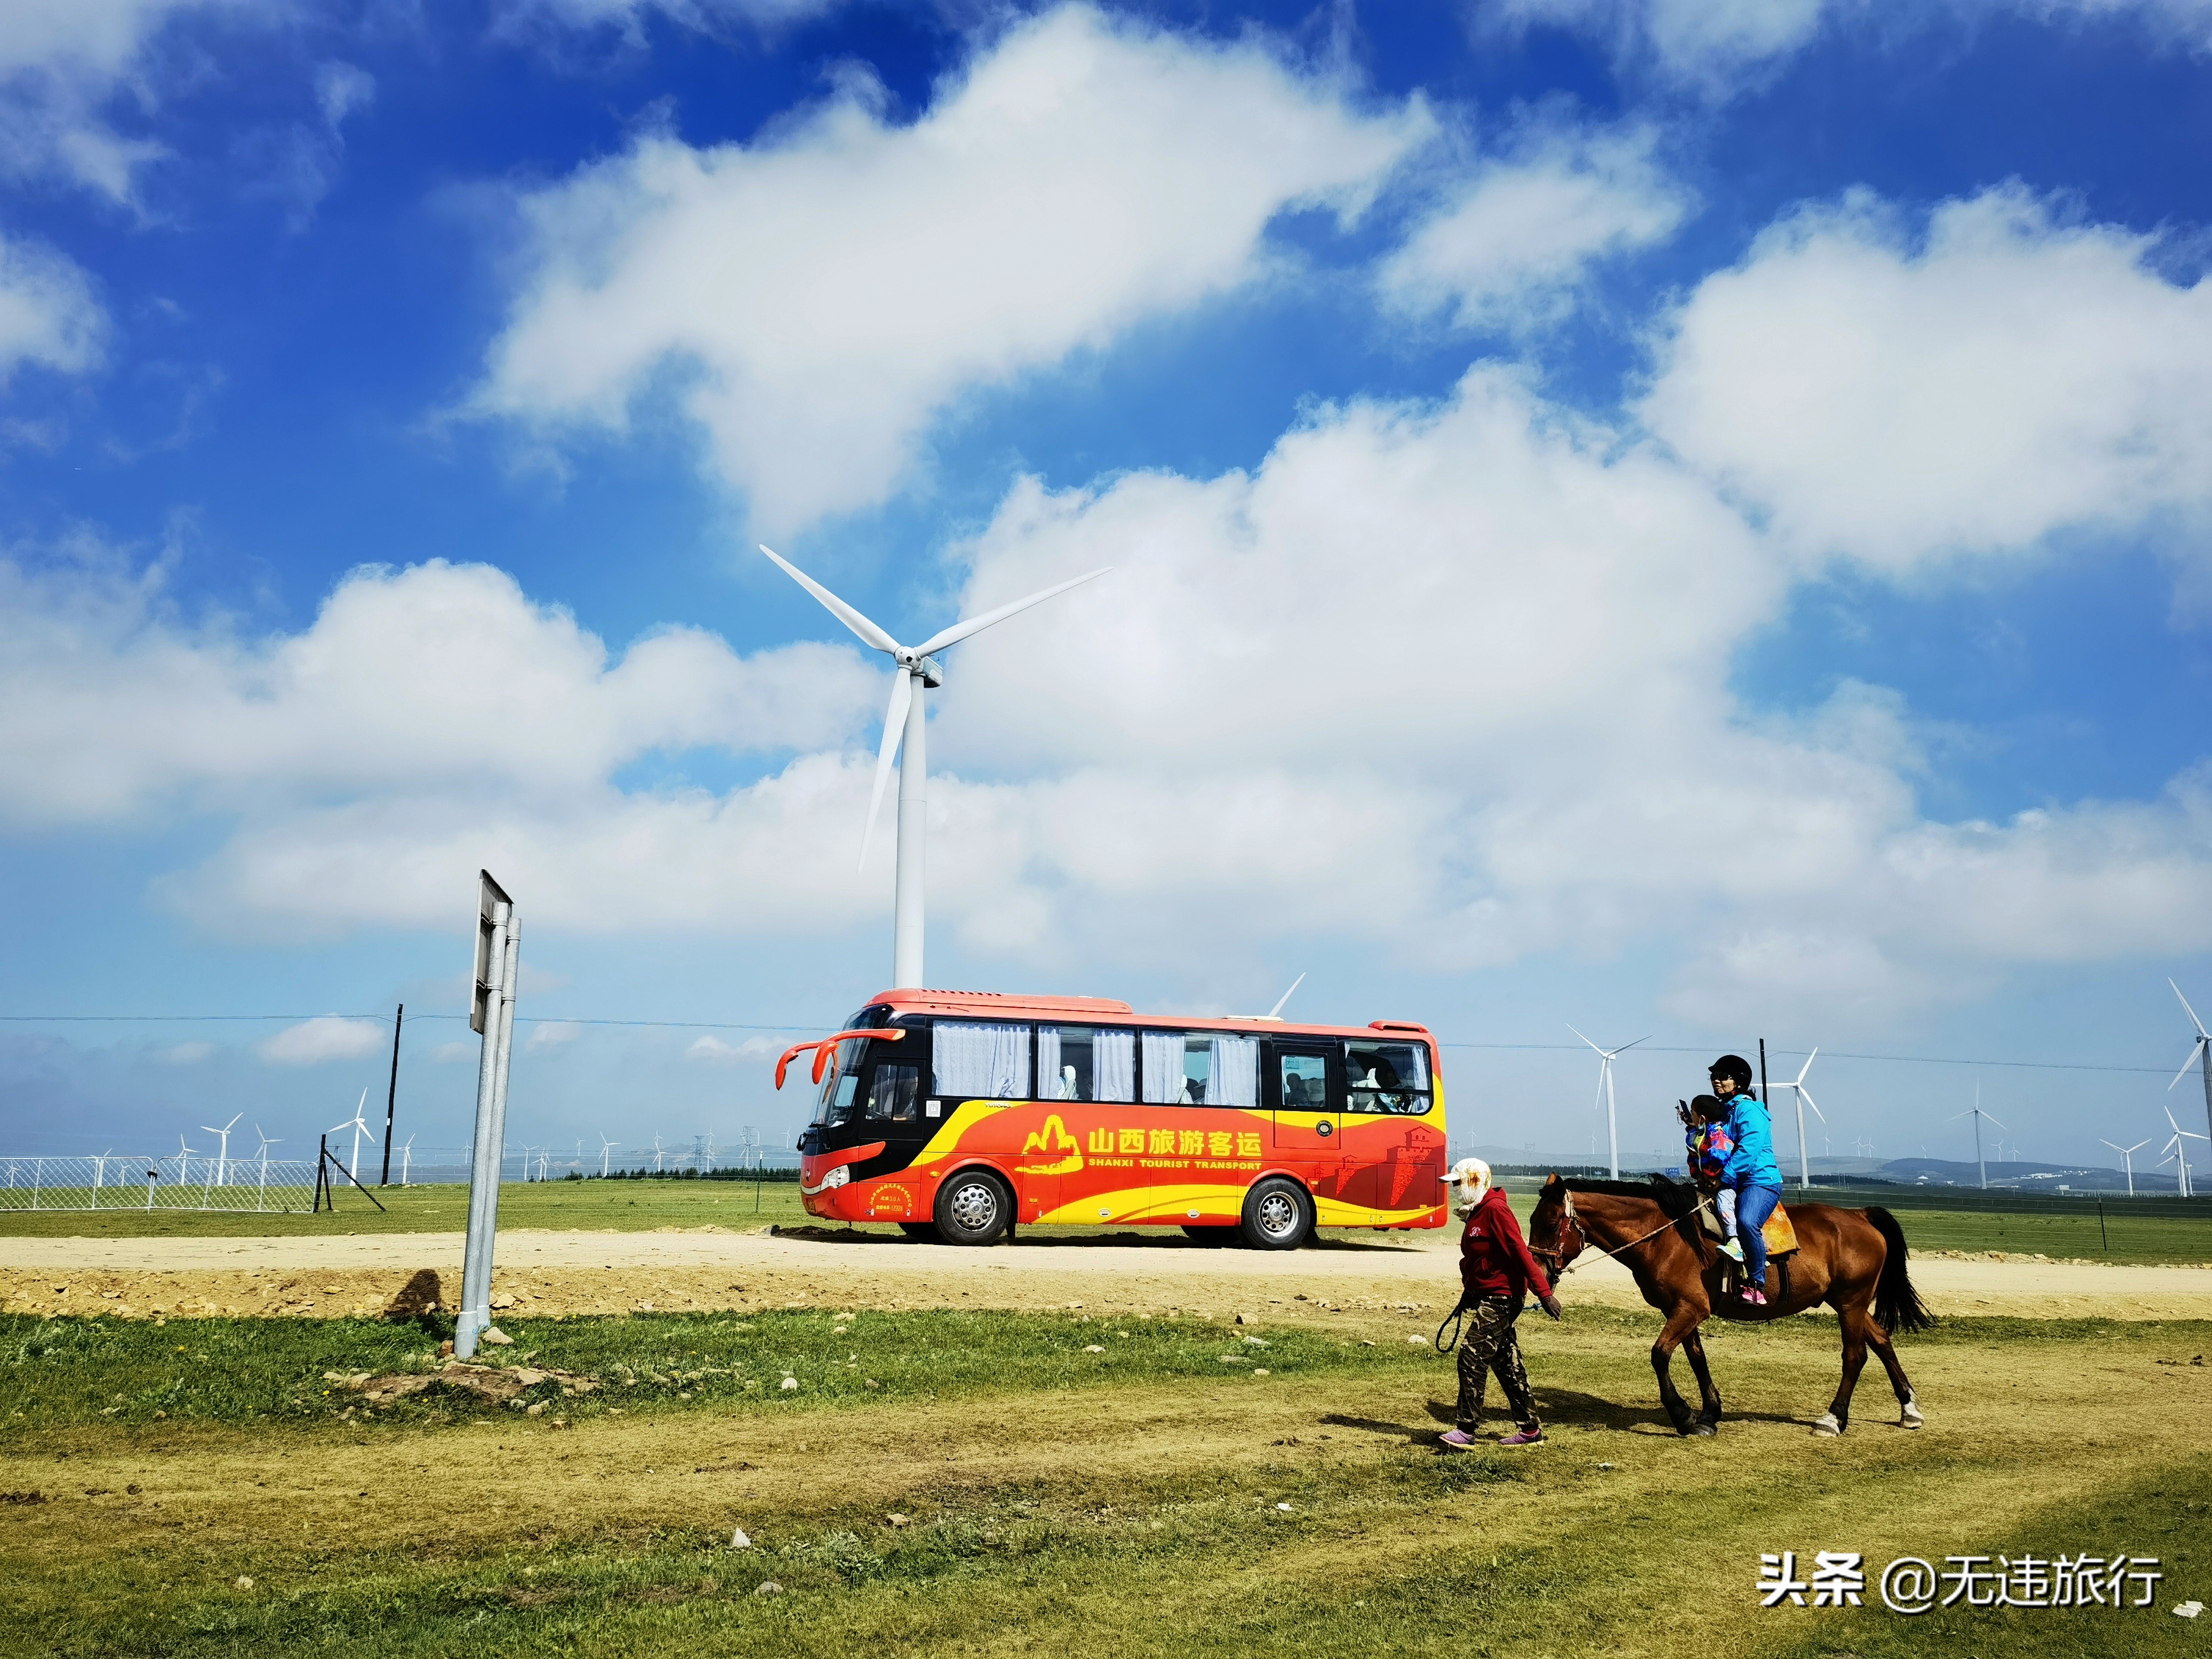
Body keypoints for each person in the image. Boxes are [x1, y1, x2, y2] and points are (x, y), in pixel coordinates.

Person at [1438, 1157, 1561, 1449]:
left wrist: (1544, 1293)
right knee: (1507, 1364)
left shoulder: (1496, 1210)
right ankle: (1530, 1431)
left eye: (1458, 1183)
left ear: (1475, 1181)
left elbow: (1520, 1251)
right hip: (1488, 1294)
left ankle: (1466, 1430)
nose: (1455, 1190)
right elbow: (1477, 1259)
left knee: (1471, 1355)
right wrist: (1470, 1293)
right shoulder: (1476, 1213)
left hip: (1504, 1297)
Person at [1709, 1055, 1785, 1307]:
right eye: (1714, 1075)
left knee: (1746, 1221)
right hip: (1735, 1181)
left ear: (1739, 1082)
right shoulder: (1727, 1111)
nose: (1716, 1080)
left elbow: (1747, 1152)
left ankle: (1756, 1285)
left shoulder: (1749, 1111)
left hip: (1760, 1182)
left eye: (1723, 1076)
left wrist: (1723, 1178)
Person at [1681, 1094, 1743, 1263]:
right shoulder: (1700, 1134)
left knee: (1724, 1204)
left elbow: (1721, 1161)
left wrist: (1712, 1177)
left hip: (1725, 1183)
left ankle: (1734, 1241)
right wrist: (1698, 1176)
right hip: (1706, 1182)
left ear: (1701, 1118)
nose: (1690, 1116)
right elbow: (1695, 1157)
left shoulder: (1719, 1138)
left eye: (1693, 1113)